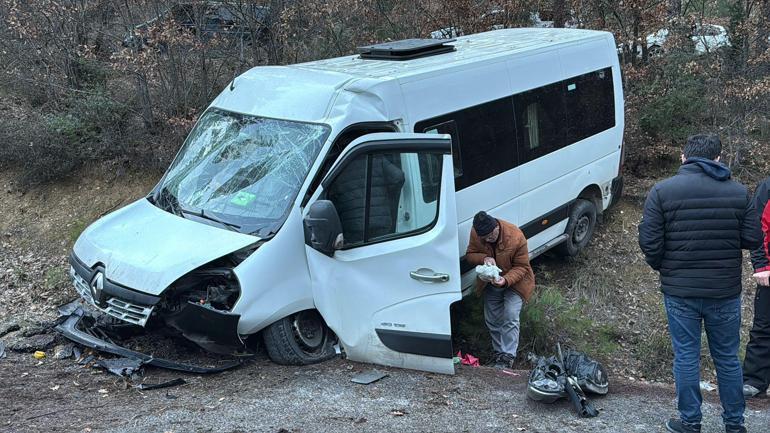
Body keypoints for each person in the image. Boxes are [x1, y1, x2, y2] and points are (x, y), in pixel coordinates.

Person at [638, 134, 762, 433]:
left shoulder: (662, 191)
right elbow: (752, 239)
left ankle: (690, 422)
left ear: (684, 156)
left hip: (680, 291)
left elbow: (649, 242)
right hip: (724, 291)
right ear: (718, 158)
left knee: (686, 356)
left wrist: (665, 267)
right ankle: (734, 424)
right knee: (728, 359)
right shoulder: (738, 192)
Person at [465, 211, 535, 369]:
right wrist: (483, 258)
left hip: (516, 282)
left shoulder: (516, 236)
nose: (487, 239)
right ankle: (500, 354)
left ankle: (508, 356)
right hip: (491, 282)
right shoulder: (477, 232)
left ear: (496, 226)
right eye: (484, 238)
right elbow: (470, 255)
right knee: (492, 319)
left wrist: (506, 280)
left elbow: (522, 267)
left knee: (510, 315)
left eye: (490, 236)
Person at [743, 176, 770, 398]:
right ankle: (754, 379)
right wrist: (762, 264)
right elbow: (758, 226)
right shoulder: (768, 186)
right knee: (764, 327)